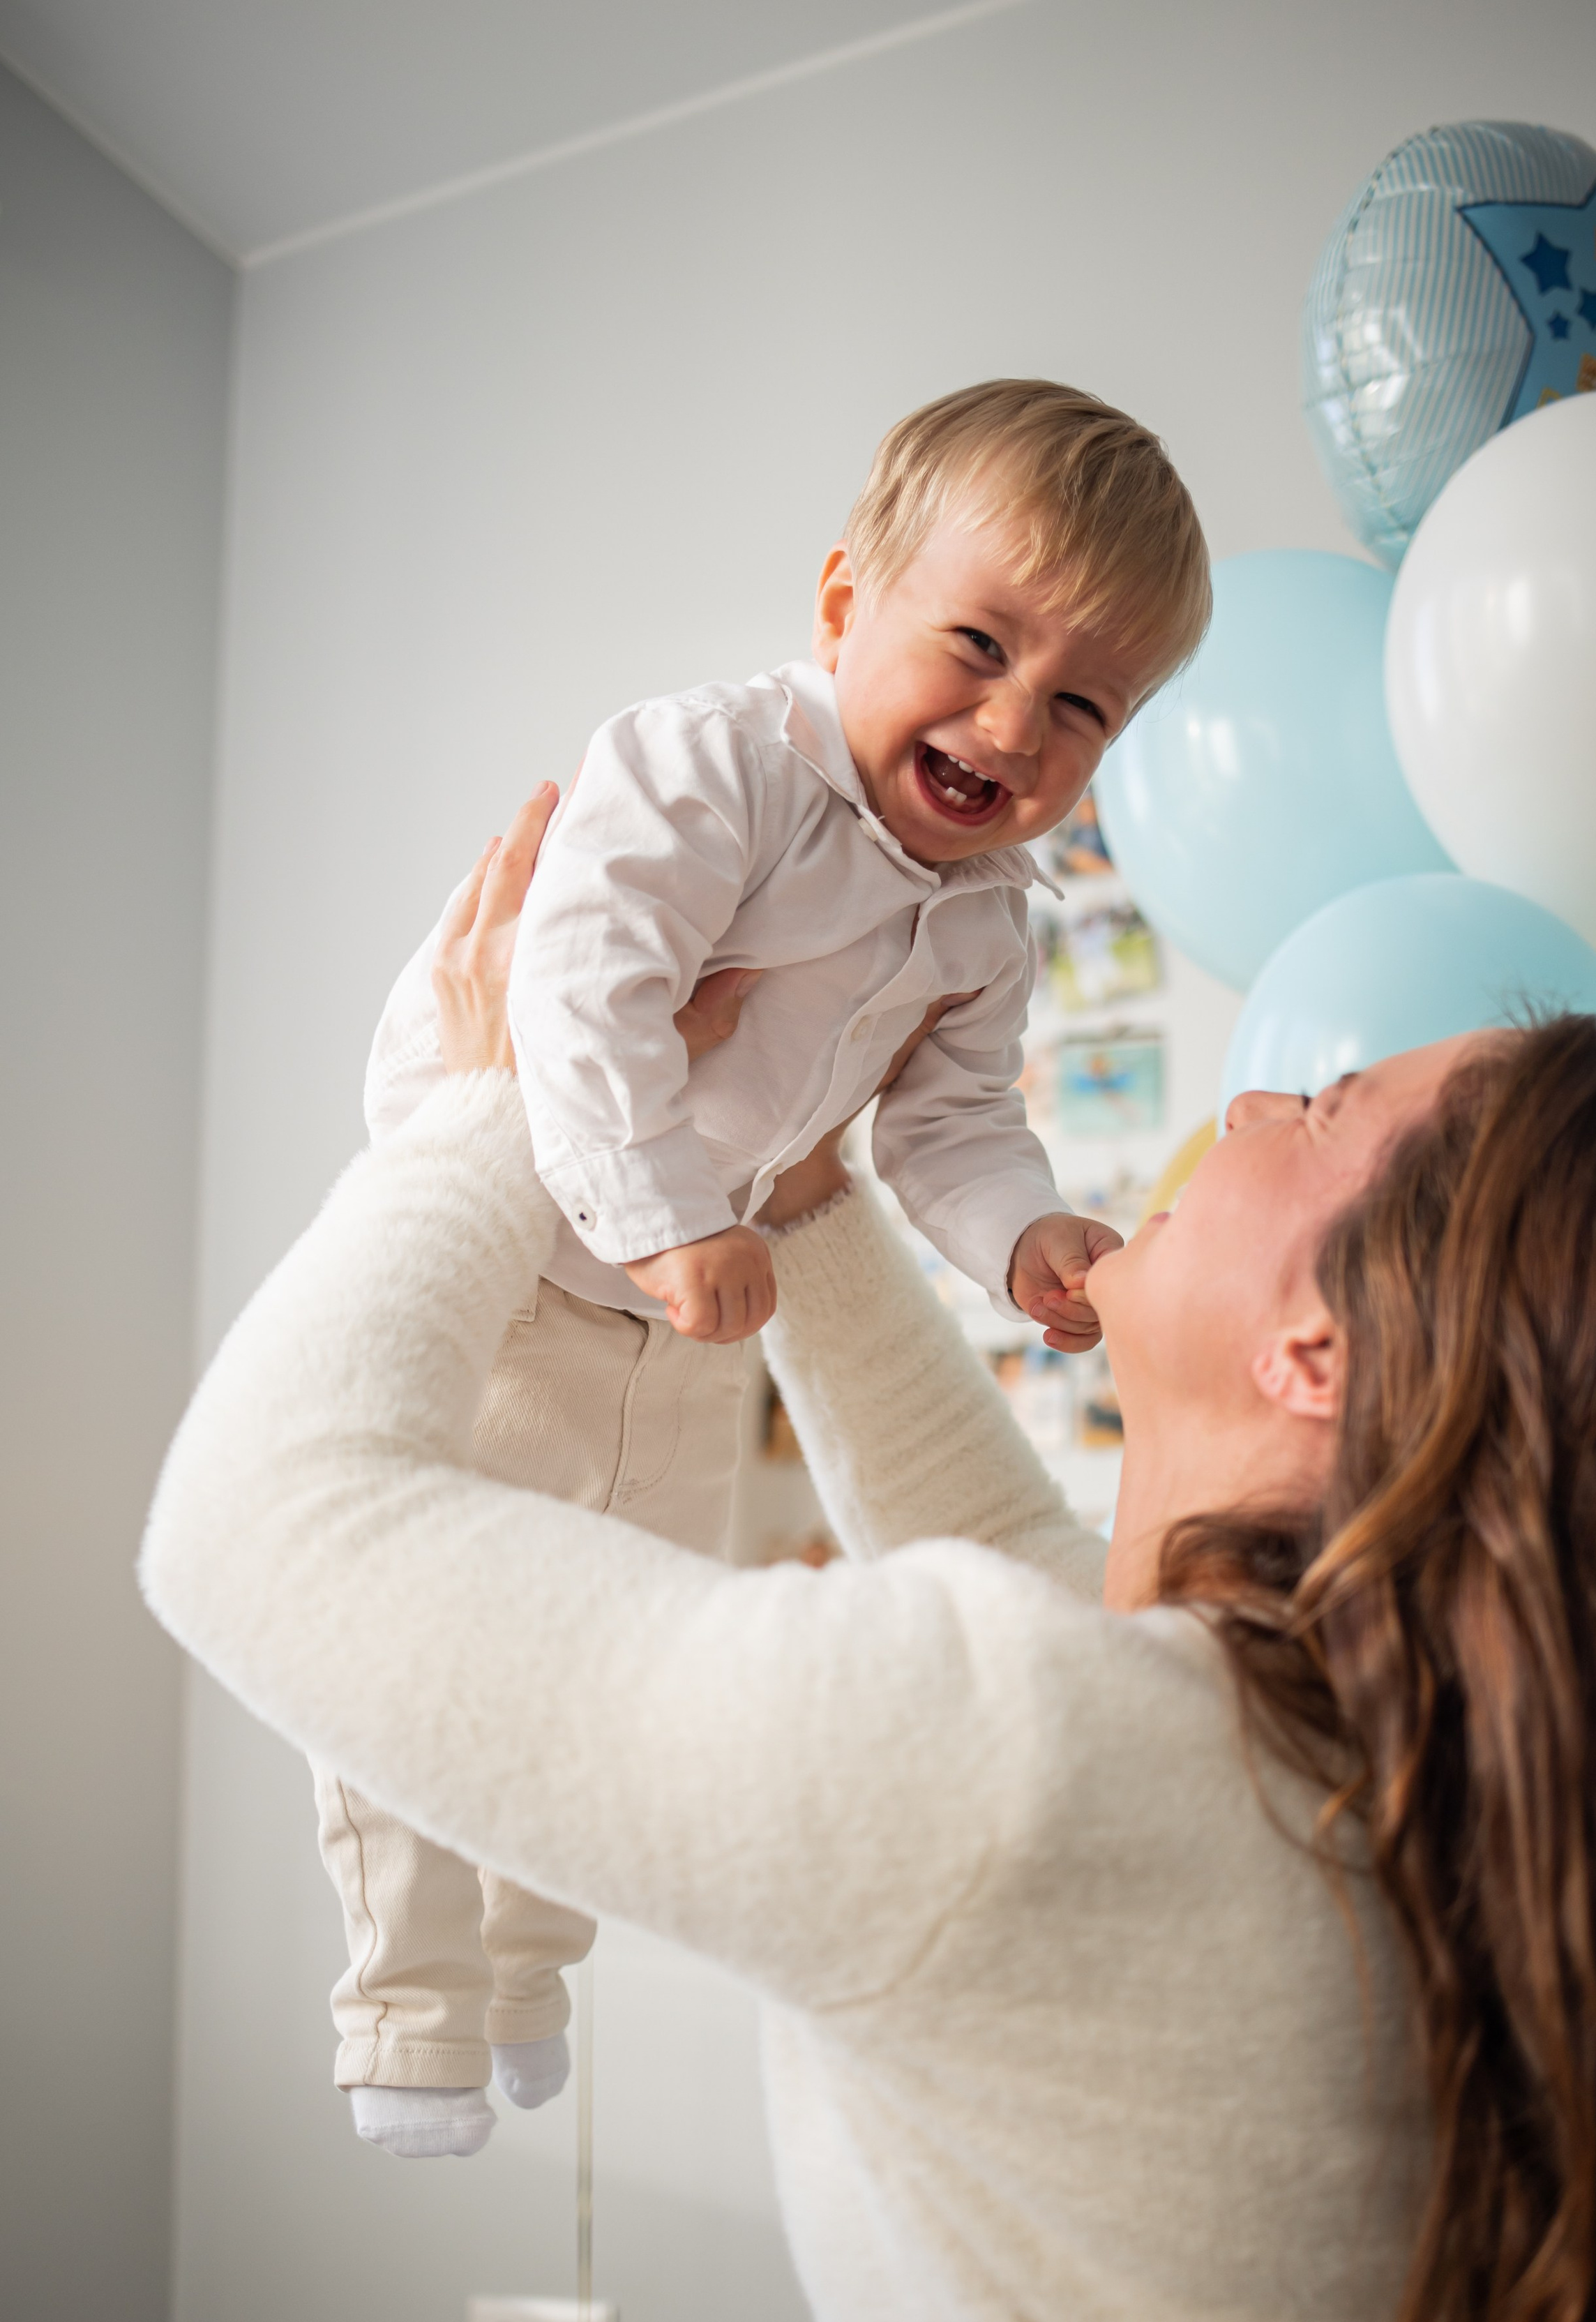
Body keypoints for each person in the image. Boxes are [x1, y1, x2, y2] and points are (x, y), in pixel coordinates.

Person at [141, 793, 1596, 2322]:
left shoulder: (1052, 1773)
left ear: (1315, 1356)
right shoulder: (1398, 1770)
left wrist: (523, 1087)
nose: (1251, 1104)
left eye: (1322, 1115)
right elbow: (1016, 1571)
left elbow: (257, 1516)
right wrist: (792, 1166)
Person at [319, 377, 1210, 2157]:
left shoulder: (982, 913)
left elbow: (949, 1129)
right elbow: (576, 993)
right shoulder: (710, 762)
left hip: (686, 1306)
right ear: (838, 605)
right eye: (974, 643)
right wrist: (667, 1213)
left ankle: (524, 1966)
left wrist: (1022, 1237)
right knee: (423, 1630)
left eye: (1083, 704)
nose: (1012, 721)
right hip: (520, 1241)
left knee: (611, 1645)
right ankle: (403, 2000)